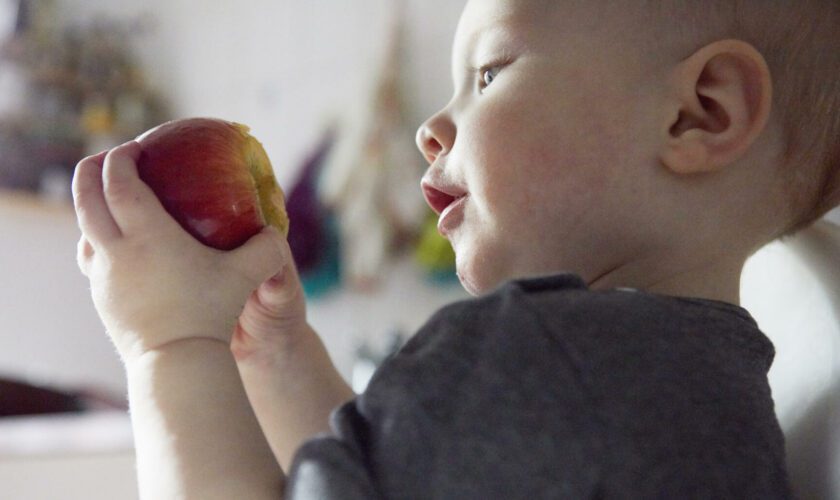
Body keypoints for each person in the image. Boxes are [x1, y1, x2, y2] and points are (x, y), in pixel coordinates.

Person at [72, 0, 840, 498]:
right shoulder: (682, 389)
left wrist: (168, 346)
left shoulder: (536, 352)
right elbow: (394, 480)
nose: (430, 127)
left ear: (698, 114)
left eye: (488, 73)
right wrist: (278, 355)